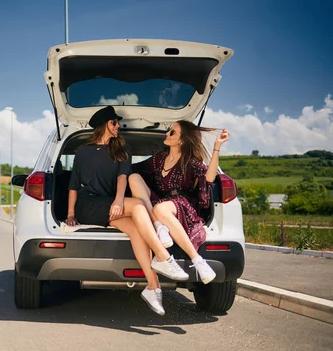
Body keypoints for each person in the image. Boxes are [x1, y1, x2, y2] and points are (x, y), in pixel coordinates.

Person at [67, 106, 189, 316]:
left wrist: (118, 201)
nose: (118, 126)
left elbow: (122, 178)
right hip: (87, 205)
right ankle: (163, 257)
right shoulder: (82, 152)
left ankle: (153, 287)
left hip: (110, 205)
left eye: (118, 123)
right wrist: (70, 214)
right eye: (114, 122)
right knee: (139, 205)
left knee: (135, 229)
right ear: (105, 124)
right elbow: (73, 185)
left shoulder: (123, 149)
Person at [128, 120, 229, 285]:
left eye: (172, 132)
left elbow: (209, 177)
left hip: (182, 204)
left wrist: (217, 147)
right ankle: (159, 227)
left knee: (160, 209)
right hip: (159, 202)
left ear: (181, 140)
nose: (167, 134)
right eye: (169, 131)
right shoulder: (159, 159)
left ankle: (198, 261)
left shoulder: (189, 161)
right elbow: (134, 169)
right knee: (134, 178)